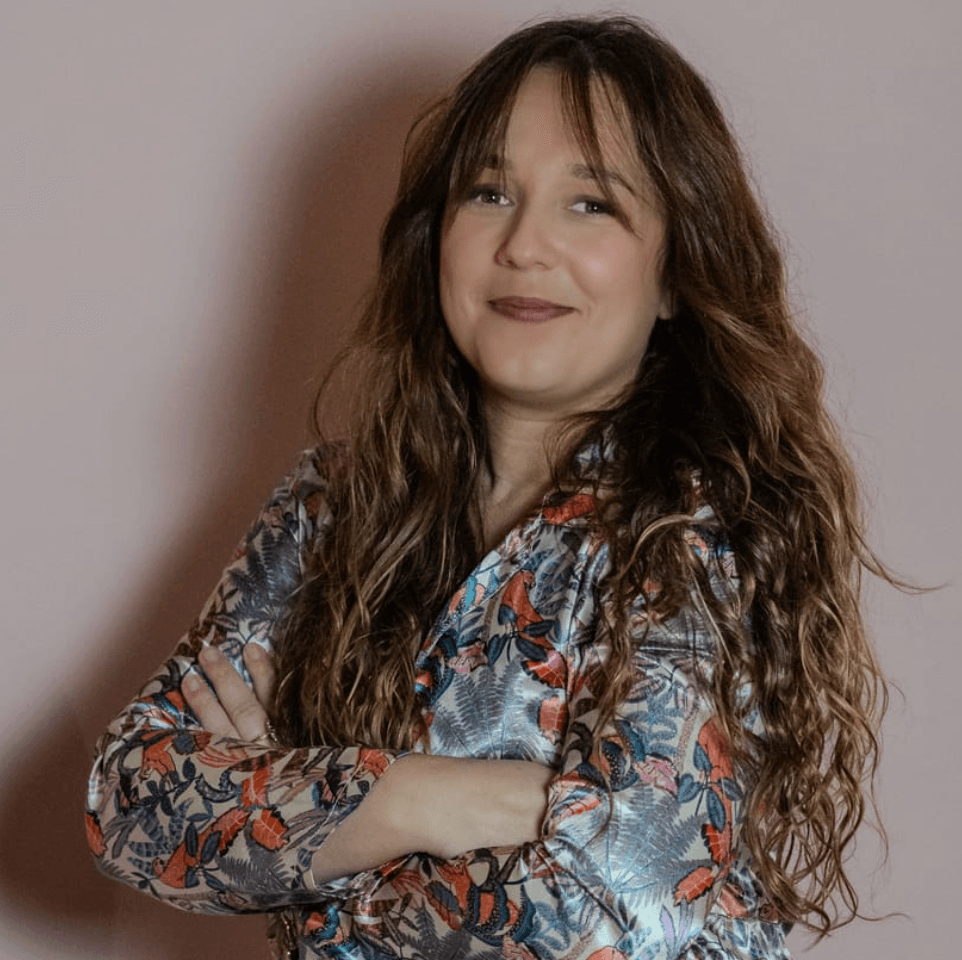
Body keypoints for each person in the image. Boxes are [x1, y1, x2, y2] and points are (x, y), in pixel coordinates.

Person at [85, 15, 888, 960]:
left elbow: (610, 914)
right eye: (490, 191)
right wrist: (420, 798)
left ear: (676, 272)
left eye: (591, 203)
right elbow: (127, 803)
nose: (524, 244)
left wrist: (288, 822)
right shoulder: (326, 507)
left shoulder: (704, 531)